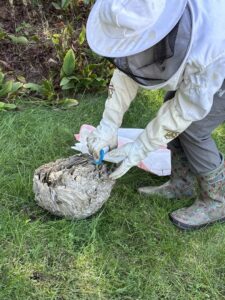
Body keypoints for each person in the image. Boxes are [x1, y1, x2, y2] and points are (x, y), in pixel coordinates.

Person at [85, 0, 225, 230]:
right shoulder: (148, 13)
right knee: (173, 106)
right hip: (207, 50)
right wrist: (108, 126)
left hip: (220, 58)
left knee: (194, 128)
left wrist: (138, 149)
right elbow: (128, 68)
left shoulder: (208, 47)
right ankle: (182, 184)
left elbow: (185, 111)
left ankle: (217, 201)